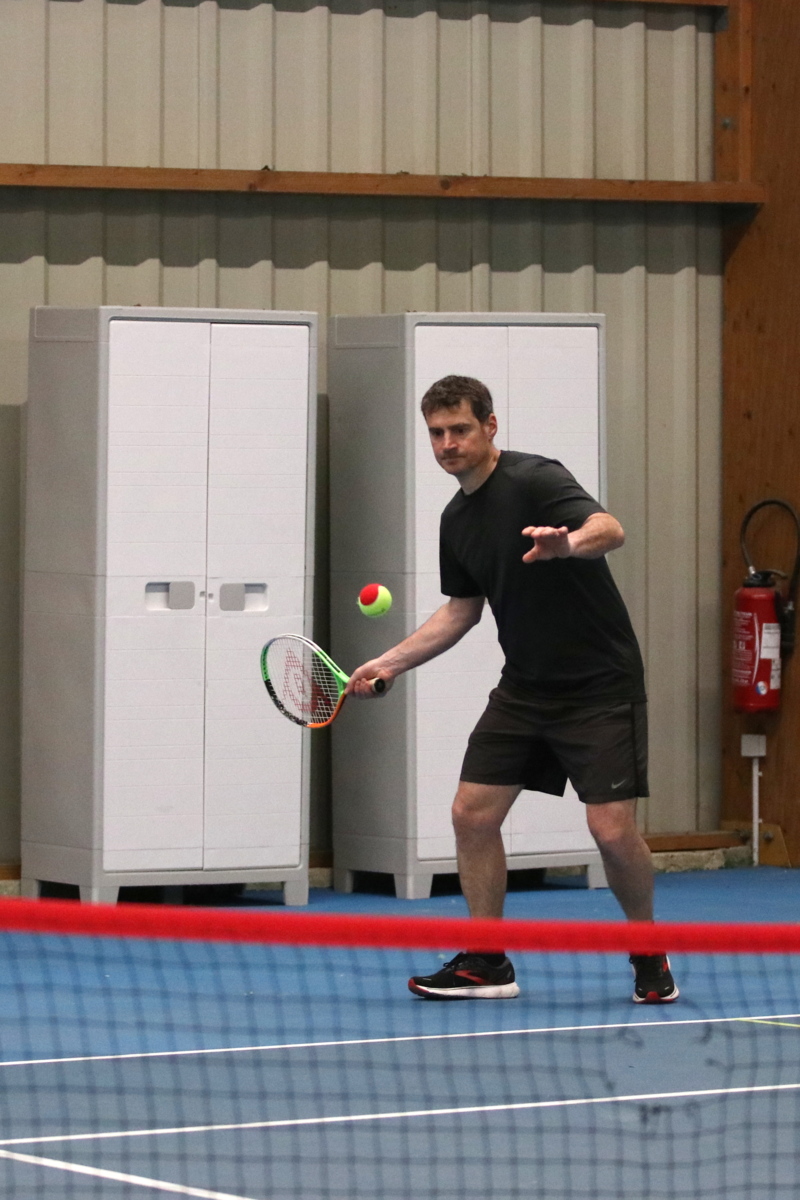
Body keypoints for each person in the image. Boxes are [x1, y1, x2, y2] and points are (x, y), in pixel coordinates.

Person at [346, 375, 678, 1006]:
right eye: (437, 433)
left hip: (601, 687)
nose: (448, 444)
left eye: (460, 429)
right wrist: (387, 664)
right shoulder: (456, 519)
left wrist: (568, 544)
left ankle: (646, 946)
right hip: (525, 689)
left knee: (611, 832)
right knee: (471, 815)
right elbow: (460, 611)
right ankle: (487, 960)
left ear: (490, 426)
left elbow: (609, 528)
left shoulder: (535, 479)